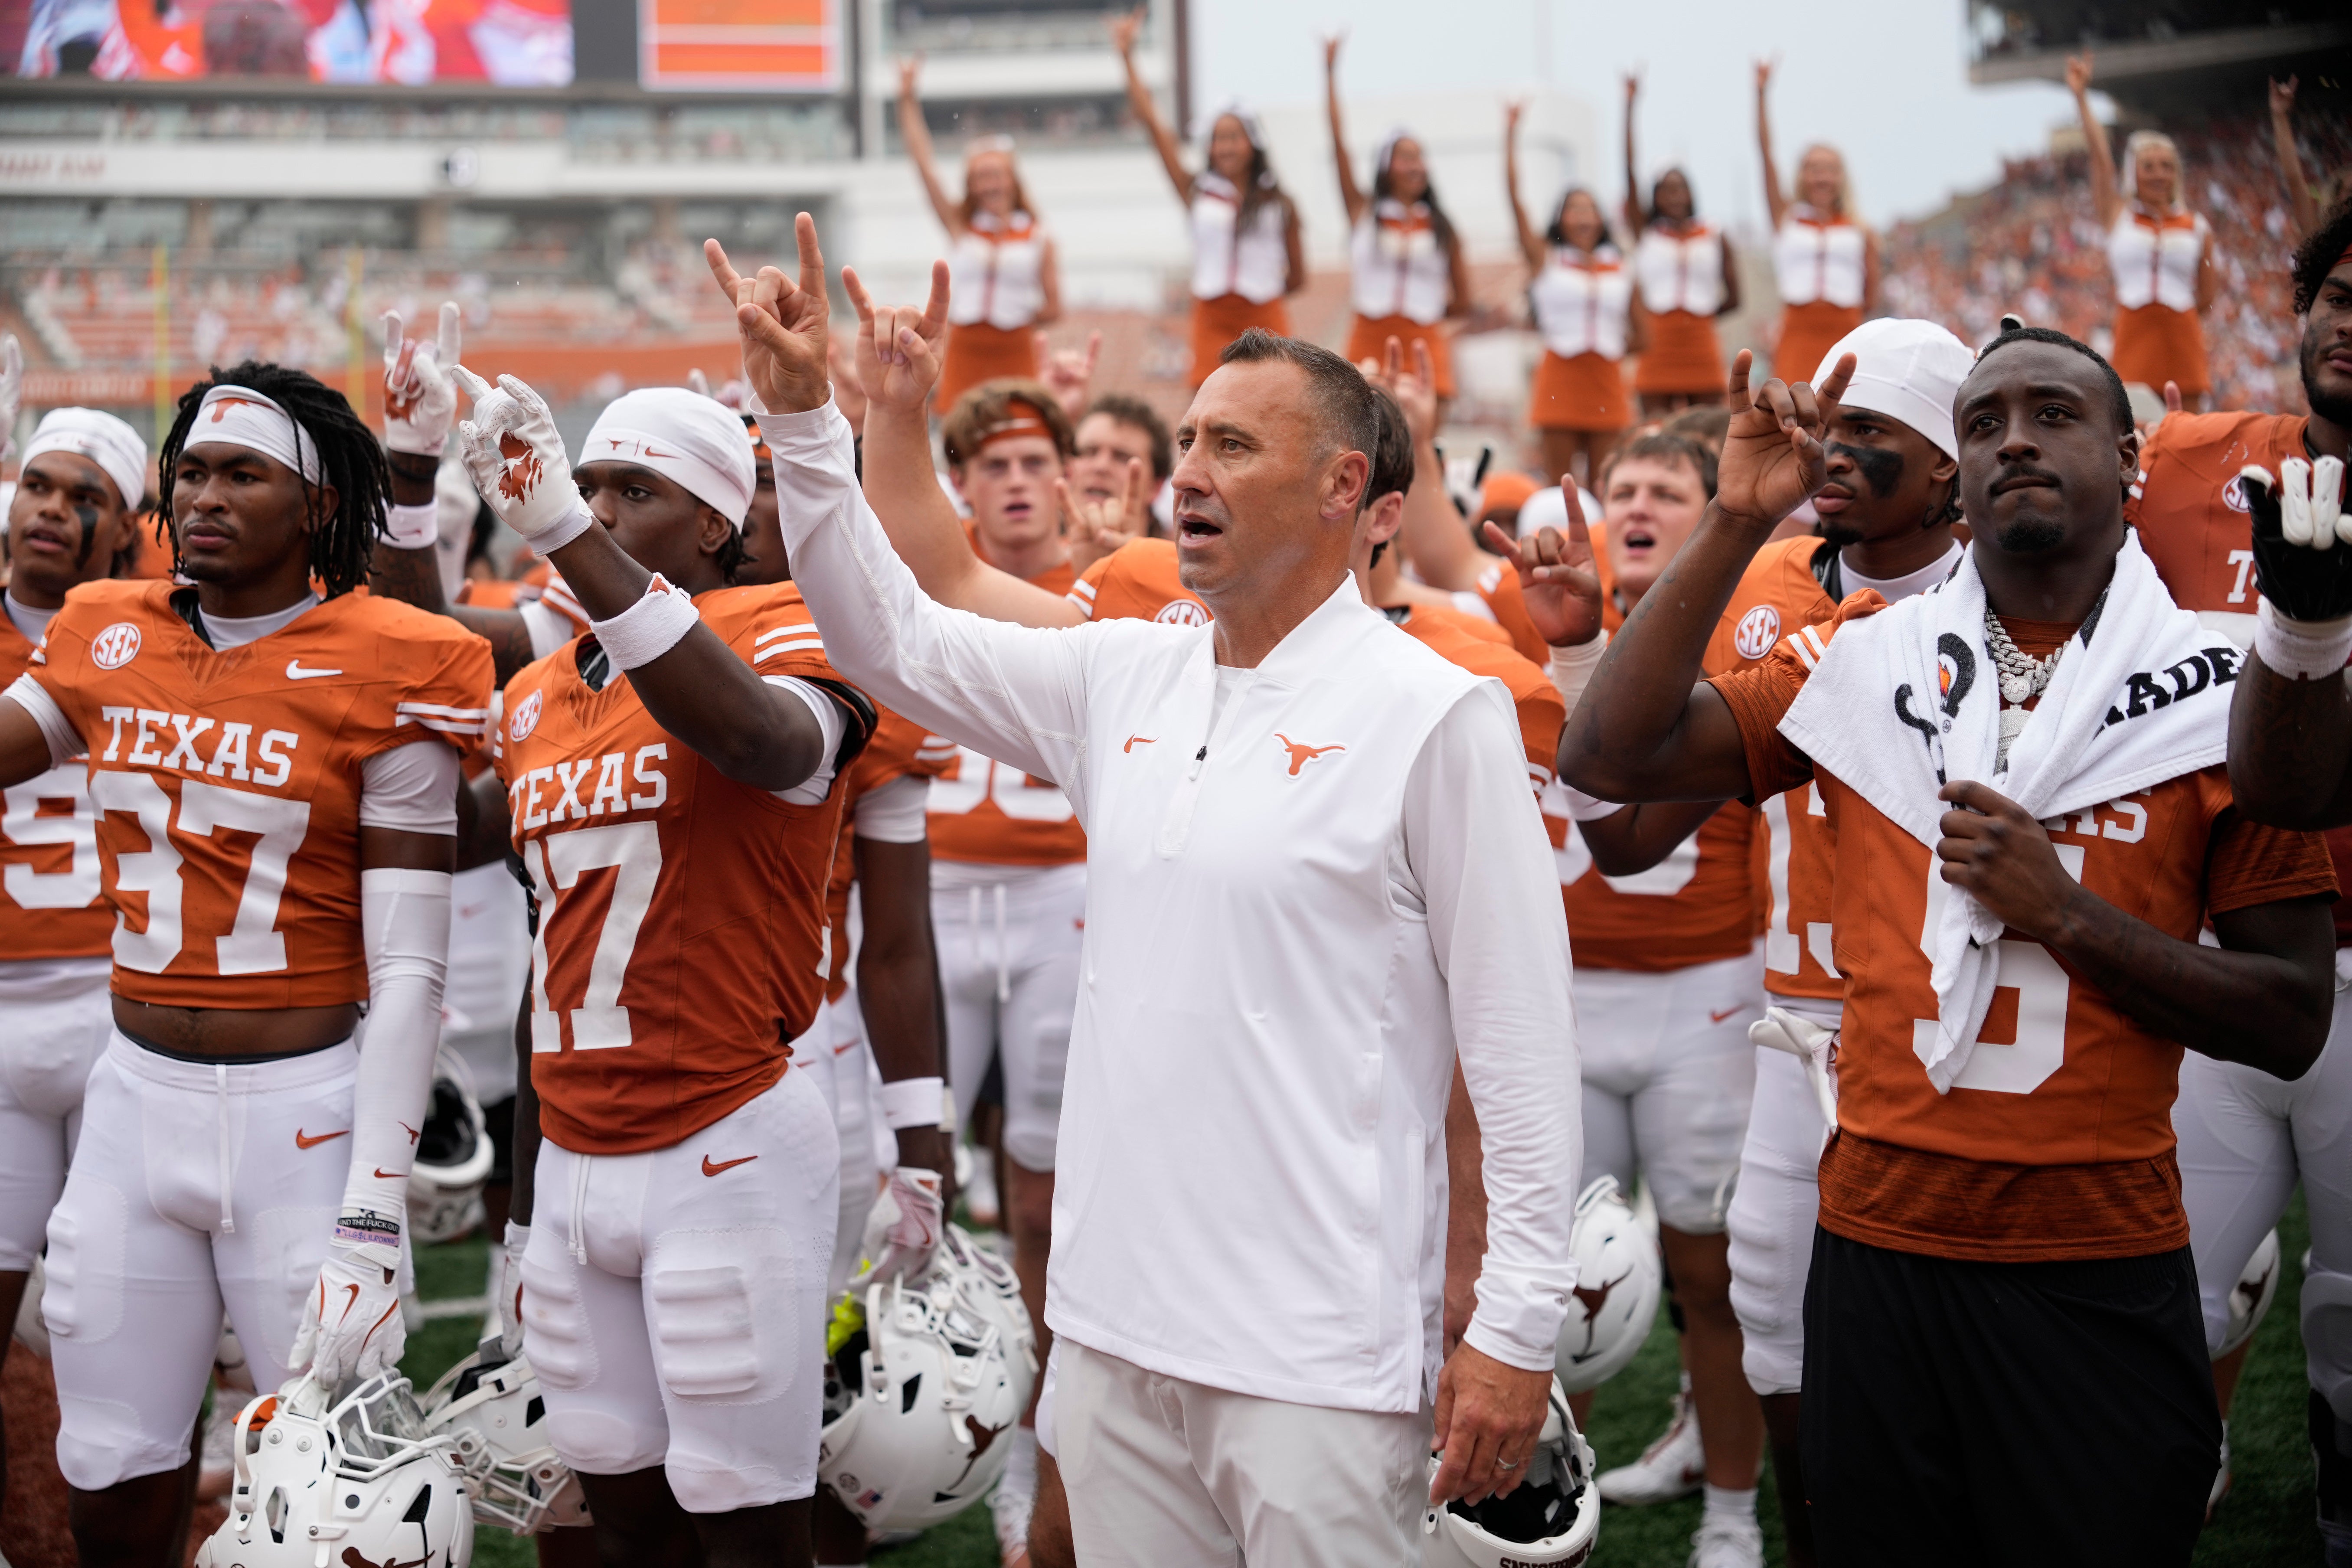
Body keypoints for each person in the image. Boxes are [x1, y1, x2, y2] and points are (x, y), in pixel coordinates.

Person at [713, 213, 1578, 1565]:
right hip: (1114, 1338)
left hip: (1317, 1357)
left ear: (1349, 487)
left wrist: (1514, 1324)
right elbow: (885, 631)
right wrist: (806, 427)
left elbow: (1521, 1044)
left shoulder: (1436, 710)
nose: (1186, 470)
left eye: (1231, 444)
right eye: (1184, 439)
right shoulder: (1127, 670)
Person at [1555, 328, 2337, 1563]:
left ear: (2130, 459)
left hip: (2098, 1249)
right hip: (1881, 1247)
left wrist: (2066, 914)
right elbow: (1607, 761)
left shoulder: (2215, 685)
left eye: (2053, 414)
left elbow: (2293, 1017)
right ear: (1959, 485)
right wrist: (1730, 521)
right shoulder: (1859, 660)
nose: (2014, 438)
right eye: (1983, 425)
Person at [437, 368, 944, 1568]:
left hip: (724, 1134)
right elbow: (470, 847)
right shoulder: (547, 689)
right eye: (589, 483)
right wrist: (414, 500)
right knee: (613, 1510)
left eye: (634, 488)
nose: (598, 505)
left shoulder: (798, 622)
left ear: (716, 521)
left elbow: (762, 742)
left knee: (744, 1512)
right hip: (572, 1147)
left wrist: (559, 527)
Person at [0, 363, 491, 1565]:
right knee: (109, 1467)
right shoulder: (109, 629)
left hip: (304, 1118)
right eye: (193, 473)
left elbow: (413, 968)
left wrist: (376, 1207)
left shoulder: (399, 655)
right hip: (133, 1098)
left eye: (243, 474)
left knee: (328, 1490)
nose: (205, 495)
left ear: (318, 507)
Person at [1631, 317, 1971, 1568]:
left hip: (1952, 1025)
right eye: (1822, 427)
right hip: (1796, 1023)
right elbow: (1628, 826)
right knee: (1774, 1328)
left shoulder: (2020, 590)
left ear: (1950, 462)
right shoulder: (1775, 580)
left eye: (1865, 431)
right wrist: (1580, 640)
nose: (1830, 453)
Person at [1508, 429, 1772, 1568]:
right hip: (1563, 998)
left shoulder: (1749, 630)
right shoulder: (1527, 613)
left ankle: (1729, 1505)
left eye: (1672, 488)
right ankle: (1525, 1492)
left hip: (1703, 996)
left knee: (1714, 1273)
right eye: (1625, 487)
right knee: (1537, 1278)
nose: (1642, 503)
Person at [2162, 203, 2352, 1556]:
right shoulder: (2183, 465)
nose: (2345, 317)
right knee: (2158, 1295)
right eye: (2332, 291)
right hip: (2206, 958)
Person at [0, 401, 149, 1516]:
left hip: (120, 1015)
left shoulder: (155, 636)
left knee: (132, 1321)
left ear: (125, 528)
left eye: (83, 495)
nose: (54, 508)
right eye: (39, 484)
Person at [1113, 7, 1303, 386]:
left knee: (1272, 405)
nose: (1225, 147)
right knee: (1204, 406)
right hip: (1210, 317)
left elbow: (1298, 277)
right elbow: (1155, 126)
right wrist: (1128, 57)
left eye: (1234, 137)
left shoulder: (1278, 203)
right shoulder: (1197, 191)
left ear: (1253, 143)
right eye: (1217, 138)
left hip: (1265, 315)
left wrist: (1259, 285)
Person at [898, 55, 1062, 413]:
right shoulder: (962, 227)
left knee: (1018, 427)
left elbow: (1054, 306)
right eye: (980, 177)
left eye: (996, 175)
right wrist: (908, 100)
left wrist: (1015, 311)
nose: (990, 185)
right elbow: (924, 166)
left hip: (1016, 348)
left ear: (1012, 180)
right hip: (965, 348)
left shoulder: (1037, 235)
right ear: (971, 186)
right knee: (961, 436)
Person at [1326, 34, 1470, 406]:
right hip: (1368, 338)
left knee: (1423, 447)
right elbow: (1338, 148)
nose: (1415, 165)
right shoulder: (1365, 211)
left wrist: (1428, 309)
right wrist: (1330, 73)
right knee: (1364, 438)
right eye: (1405, 157)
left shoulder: (1442, 226)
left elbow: (1464, 298)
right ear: (1386, 166)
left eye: (1420, 157)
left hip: (1425, 342)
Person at [2067, 53, 2217, 411]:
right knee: (2135, 433)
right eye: (2148, 166)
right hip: (2133, 337)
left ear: (2176, 174)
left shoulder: (2197, 227)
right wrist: (2081, 97)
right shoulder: (2118, 215)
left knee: (2190, 431)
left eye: (2166, 167)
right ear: (2133, 173)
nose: (2157, 174)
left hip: (2183, 339)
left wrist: (2178, 315)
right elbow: (2101, 161)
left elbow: (2208, 296)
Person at [1508, 101, 1638, 489]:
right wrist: (1512, 135)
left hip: (1607, 377)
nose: (1583, 217)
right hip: (1560, 377)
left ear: (1602, 220)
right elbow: (1516, 203)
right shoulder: (1548, 260)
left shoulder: (1622, 266)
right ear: (1560, 218)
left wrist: (1609, 344)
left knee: (1605, 483)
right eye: (1574, 210)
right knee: (1559, 484)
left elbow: (1644, 335)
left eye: (1591, 210)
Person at [1754, 59, 1875, 391]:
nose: (1822, 177)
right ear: (1802, 176)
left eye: (1830, 169)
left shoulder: (1859, 229)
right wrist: (1761, 96)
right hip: (1798, 329)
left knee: (1845, 410)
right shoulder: (1787, 218)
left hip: (1845, 328)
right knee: (1794, 406)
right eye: (1814, 168)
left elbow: (1871, 291)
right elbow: (1765, 157)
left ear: (1841, 177)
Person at [1624, 73, 1739, 416]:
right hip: (1657, 342)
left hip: (1700, 342)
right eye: (1666, 189)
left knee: (1707, 430)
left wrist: (1700, 316)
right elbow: (1628, 171)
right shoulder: (1646, 233)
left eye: (1680, 188)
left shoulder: (1715, 235)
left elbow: (1734, 296)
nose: (1674, 197)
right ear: (1654, 197)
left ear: (1691, 193)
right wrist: (1629, 107)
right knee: (1655, 429)